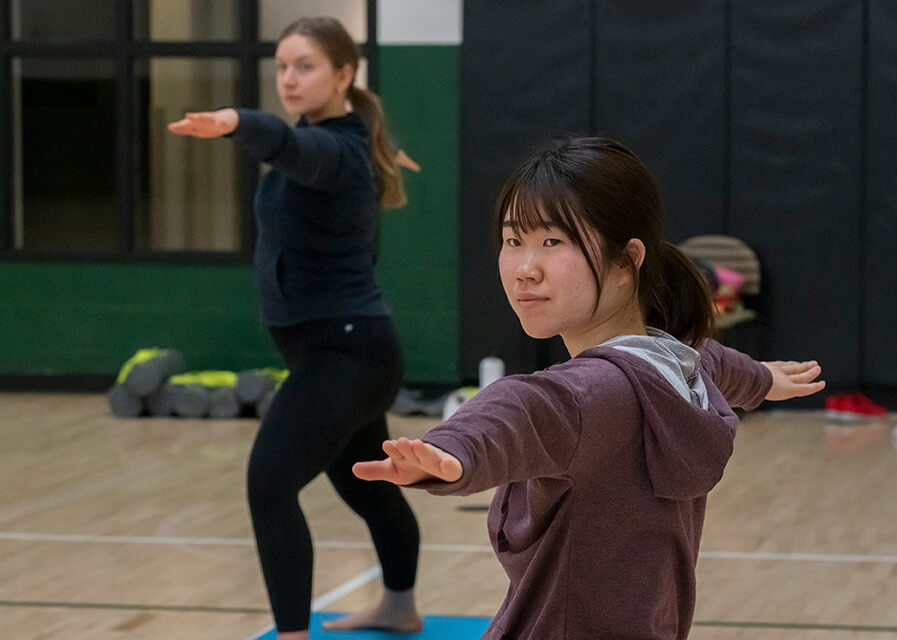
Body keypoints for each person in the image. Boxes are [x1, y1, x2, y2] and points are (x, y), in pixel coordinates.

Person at [354, 137, 826, 639]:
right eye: (513, 241)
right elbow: (714, 361)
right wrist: (764, 380)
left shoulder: (597, 394)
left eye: (553, 242)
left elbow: (523, 407)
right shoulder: (674, 363)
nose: (524, 268)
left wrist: (454, 446)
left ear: (627, 261)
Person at [168, 16, 422, 640]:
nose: (288, 78)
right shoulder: (339, 142)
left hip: (347, 350)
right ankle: (399, 607)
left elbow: (291, 147)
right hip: (343, 349)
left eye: (304, 66)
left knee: (269, 482)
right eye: (282, 66)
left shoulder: (331, 149)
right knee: (368, 486)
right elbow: (298, 150)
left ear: (343, 74)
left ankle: (292, 635)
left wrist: (236, 123)